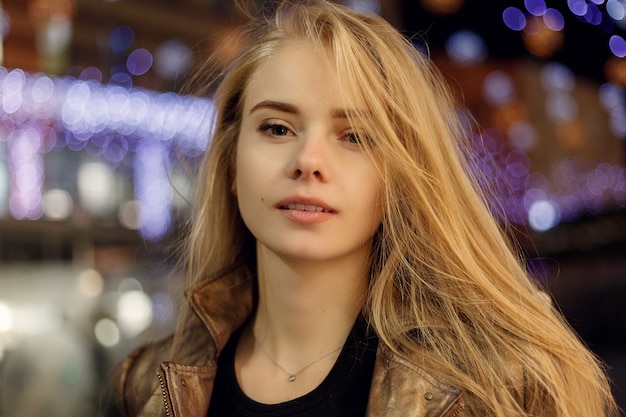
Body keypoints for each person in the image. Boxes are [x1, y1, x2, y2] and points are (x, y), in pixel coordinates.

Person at [111, 1, 619, 416]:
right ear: (230, 166)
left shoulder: (505, 386)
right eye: (277, 128)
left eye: (355, 136)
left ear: (399, 175)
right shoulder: (147, 388)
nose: (308, 161)